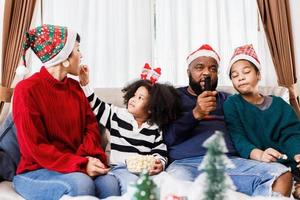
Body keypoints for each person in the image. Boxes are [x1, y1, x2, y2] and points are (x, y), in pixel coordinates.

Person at [163, 44, 292, 197]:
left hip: (229, 163)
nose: (207, 73)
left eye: (212, 69)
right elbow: (167, 138)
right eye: (199, 67)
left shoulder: (229, 100)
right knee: (177, 189)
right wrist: (195, 114)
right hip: (186, 165)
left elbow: (254, 130)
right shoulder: (173, 97)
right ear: (188, 72)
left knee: (281, 175)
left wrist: (268, 152)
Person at [12, 24, 120, 200]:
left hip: (74, 165)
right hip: (36, 171)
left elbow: (91, 128)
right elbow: (35, 148)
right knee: (81, 183)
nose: (82, 55)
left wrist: (87, 160)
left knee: (109, 183)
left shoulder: (75, 88)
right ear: (64, 58)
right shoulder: (26, 90)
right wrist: (81, 164)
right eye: (77, 50)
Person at [79, 64, 181, 195]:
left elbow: (160, 151)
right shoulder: (117, 115)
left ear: (150, 108)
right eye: (134, 95)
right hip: (120, 168)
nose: (133, 99)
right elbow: (96, 105)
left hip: (145, 172)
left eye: (140, 98)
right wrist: (85, 84)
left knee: (164, 181)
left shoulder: (155, 128)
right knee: (131, 185)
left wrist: (159, 164)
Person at [224, 44, 300, 198]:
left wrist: (297, 153)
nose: (241, 77)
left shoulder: (279, 104)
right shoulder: (232, 104)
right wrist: (260, 155)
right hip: (260, 163)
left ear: (258, 75)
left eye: (246, 72)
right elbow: (238, 138)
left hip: (289, 160)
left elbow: (292, 133)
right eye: (234, 75)